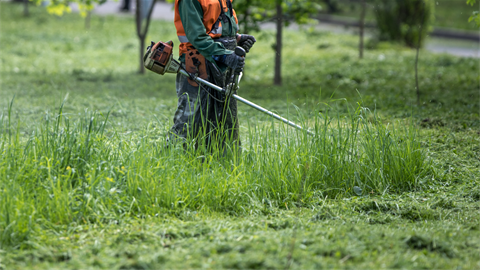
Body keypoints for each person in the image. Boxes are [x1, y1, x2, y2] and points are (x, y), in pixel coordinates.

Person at [169, 0, 256, 153]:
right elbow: (197, 37)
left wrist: (237, 39)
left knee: (224, 116)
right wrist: (224, 54)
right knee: (190, 116)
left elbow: (216, 26)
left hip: (220, 64)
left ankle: (223, 160)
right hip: (197, 64)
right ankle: (174, 158)